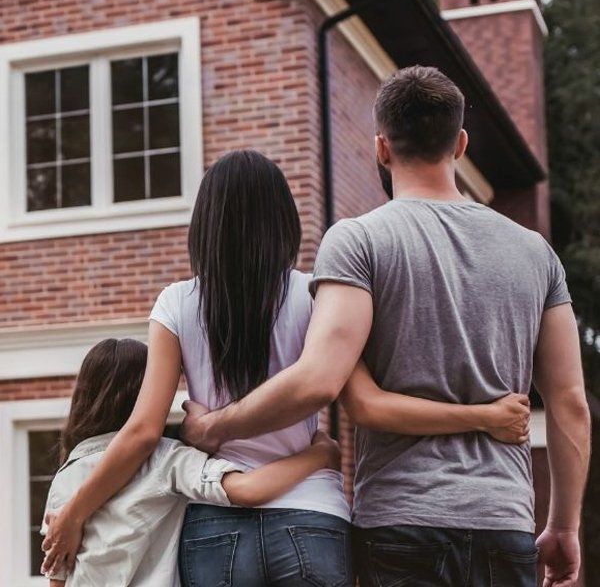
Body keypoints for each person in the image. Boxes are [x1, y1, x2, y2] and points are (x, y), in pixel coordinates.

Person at [175, 69, 591, 587]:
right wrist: (563, 526)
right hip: (501, 519)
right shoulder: (536, 252)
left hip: (398, 522)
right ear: (460, 143)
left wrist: (213, 426)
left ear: (381, 147)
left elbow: (319, 382)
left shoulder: (358, 241)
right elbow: (570, 401)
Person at [42, 150, 529, 586]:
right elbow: (359, 397)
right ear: (283, 221)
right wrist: (483, 416)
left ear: (205, 223)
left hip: (216, 523)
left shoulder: (176, 303)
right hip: (311, 515)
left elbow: (142, 431)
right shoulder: (318, 294)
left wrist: (74, 513)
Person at [42, 338, 341, 586]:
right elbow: (248, 489)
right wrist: (320, 455)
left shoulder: (67, 476)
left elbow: (57, 576)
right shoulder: (166, 459)